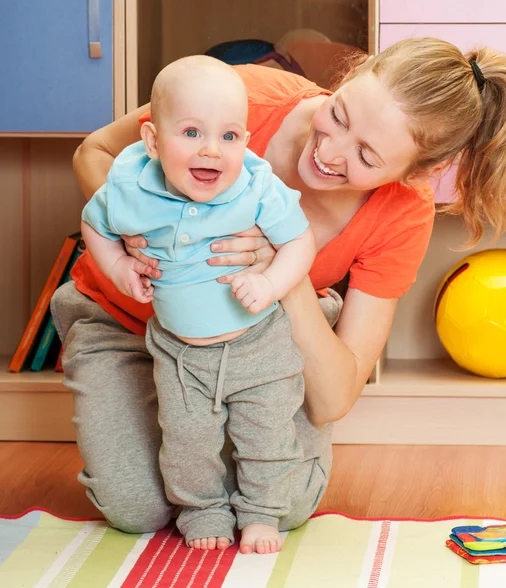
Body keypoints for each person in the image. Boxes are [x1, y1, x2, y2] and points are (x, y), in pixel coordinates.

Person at [51, 37, 506, 555]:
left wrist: (283, 269)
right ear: (352, 74)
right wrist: (132, 240)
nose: (330, 151)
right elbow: (95, 151)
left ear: (416, 173)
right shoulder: (242, 99)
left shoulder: (404, 213)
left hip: (259, 342)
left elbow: (334, 397)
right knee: (138, 507)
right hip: (127, 321)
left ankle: (213, 445)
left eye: (366, 155)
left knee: (280, 506)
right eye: (339, 114)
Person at [80, 55, 316, 554]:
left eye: (229, 137)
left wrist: (272, 283)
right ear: (151, 141)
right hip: (179, 351)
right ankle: (203, 508)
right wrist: (120, 268)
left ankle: (259, 512)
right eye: (191, 133)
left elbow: (300, 242)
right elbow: (94, 225)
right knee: (187, 440)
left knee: (265, 433)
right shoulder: (130, 186)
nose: (212, 150)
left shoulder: (256, 186)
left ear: (245, 143)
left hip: (259, 344)